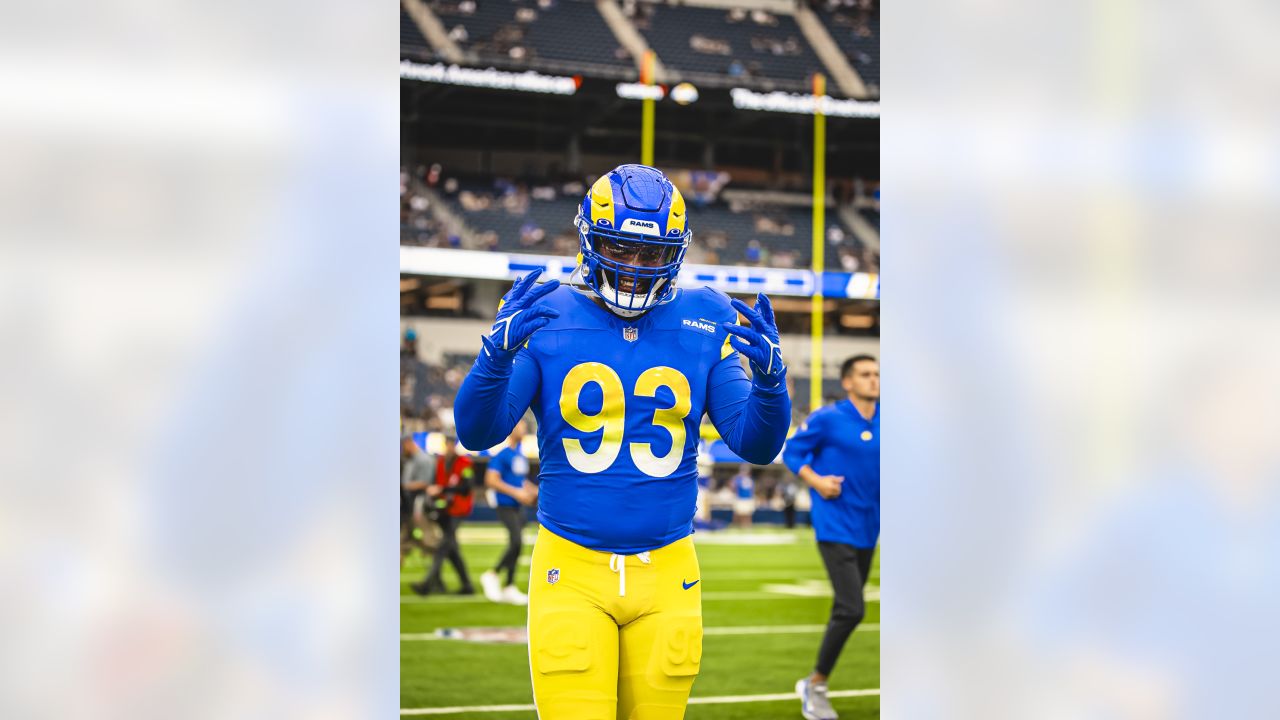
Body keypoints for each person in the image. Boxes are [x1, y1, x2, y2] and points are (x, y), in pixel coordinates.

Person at [453, 164, 792, 720]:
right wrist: (494, 360)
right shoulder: (547, 312)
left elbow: (755, 445)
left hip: (669, 571)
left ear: (676, 253)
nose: (635, 269)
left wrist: (772, 387)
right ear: (590, 240)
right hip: (573, 567)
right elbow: (476, 432)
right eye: (621, 249)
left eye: (653, 254)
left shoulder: (707, 314)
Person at [783, 354, 880, 720]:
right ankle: (816, 684)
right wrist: (817, 482)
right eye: (866, 374)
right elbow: (793, 454)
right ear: (848, 382)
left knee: (850, 608)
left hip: (870, 526)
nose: (875, 380)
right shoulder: (828, 418)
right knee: (852, 607)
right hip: (835, 524)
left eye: (878, 374)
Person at [480, 420, 538, 605]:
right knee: (516, 541)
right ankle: (493, 574)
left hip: (517, 505)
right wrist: (516, 493)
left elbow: (519, 481)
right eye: (520, 425)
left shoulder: (519, 455)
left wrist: (533, 490)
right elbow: (491, 480)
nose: (523, 429)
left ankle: (510, 586)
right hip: (505, 503)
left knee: (518, 545)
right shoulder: (502, 455)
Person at [410, 435, 477, 596]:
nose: (448, 447)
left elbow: (466, 488)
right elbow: (437, 483)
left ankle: (427, 583)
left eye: (451, 444)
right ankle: (467, 585)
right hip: (444, 510)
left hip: (458, 510)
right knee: (451, 548)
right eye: (446, 444)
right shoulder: (440, 462)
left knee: (443, 546)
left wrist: (443, 489)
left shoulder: (465, 463)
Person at [401, 434, 437, 567]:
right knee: (402, 541)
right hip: (408, 505)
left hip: (420, 504)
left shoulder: (424, 459)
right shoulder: (410, 459)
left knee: (429, 540)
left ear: (408, 443)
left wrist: (403, 486)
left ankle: (434, 575)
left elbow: (425, 483)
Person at [731, 464, 755, 528]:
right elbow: (733, 487)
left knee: (748, 514)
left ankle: (747, 525)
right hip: (740, 498)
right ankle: (736, 525)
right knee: (738, 513)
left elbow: (752, 489)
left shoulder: (750, 479)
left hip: (748, 498)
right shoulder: (737, 479)